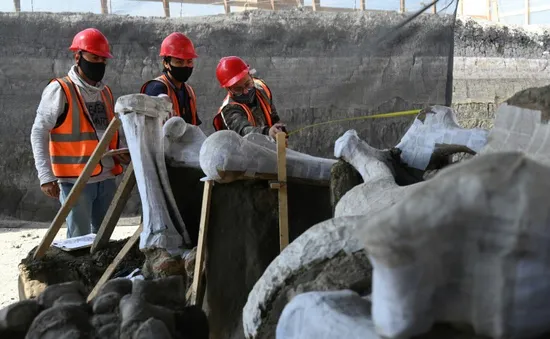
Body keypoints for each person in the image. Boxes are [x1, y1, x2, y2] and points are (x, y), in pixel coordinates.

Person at [30, 28, 129, 238]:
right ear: (78, 57)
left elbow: (104, 133)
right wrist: (45, 176)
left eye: (103, 59)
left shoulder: (106, 92)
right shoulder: (60, 89)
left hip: (106, 177)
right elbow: (39, 132)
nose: (99, 63)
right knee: (79, 241)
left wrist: (118, 152)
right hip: (75, 181)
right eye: (94, 57)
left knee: (103, 240)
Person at [213, 56, 286, 138]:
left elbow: (272, 114)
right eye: (238, 89)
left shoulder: (261, 88)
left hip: (269, 147)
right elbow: (244, 131)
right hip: (245, 150)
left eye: (248, 84)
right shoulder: (229, 109)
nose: (245, 91)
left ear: (250, 75)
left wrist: (278, 128)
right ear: (228, 89)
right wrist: (267, 132)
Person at [140, 32, 201, 126]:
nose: (185, 66)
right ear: (166, 63)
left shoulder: (189, 92)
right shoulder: (156, 88)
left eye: (189, 61)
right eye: (179, 62)